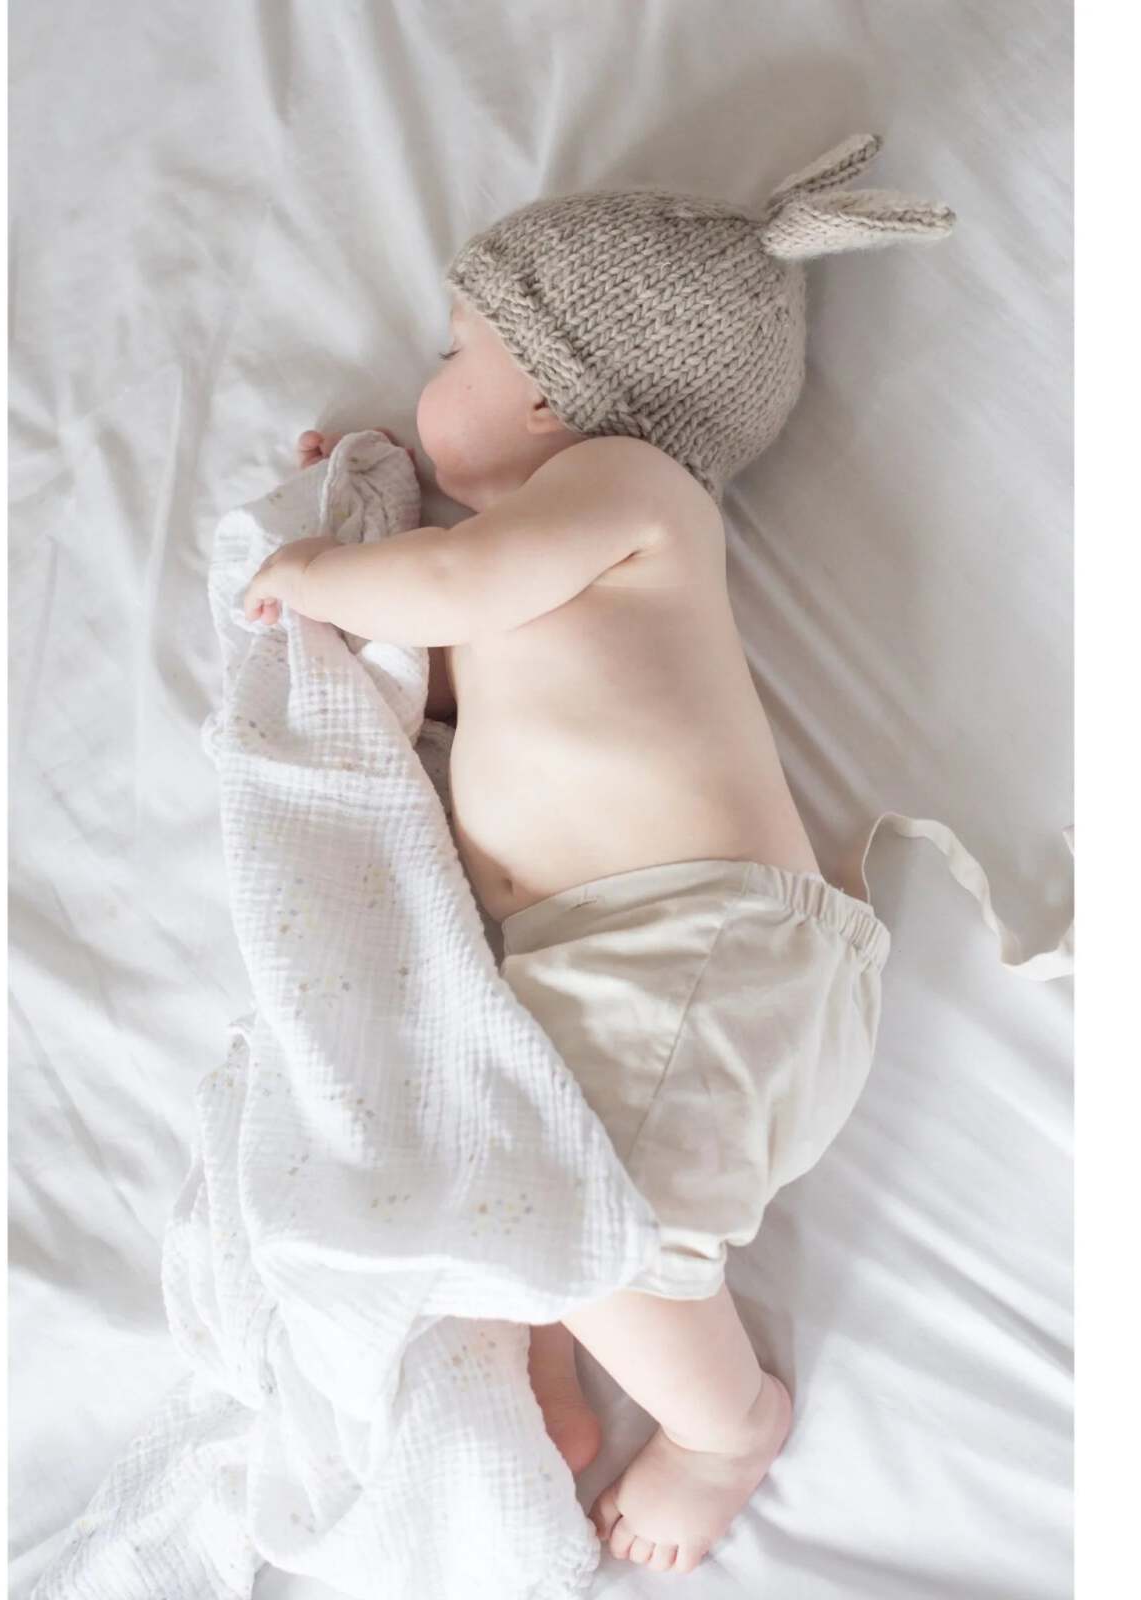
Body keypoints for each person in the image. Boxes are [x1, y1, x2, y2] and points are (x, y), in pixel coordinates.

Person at [244, 133, 952, 1575]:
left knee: (617, 1218)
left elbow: (447, 588)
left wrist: (334, 573)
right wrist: (358, 548)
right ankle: (550, 1365)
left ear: (557, 388)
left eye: (457, 349)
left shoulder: (631, 490)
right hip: (620, 969)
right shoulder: (549, 547)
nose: (427, 378)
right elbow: (440, 674)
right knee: (521, 1165)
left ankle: (722, 1428)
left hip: (690, 952)